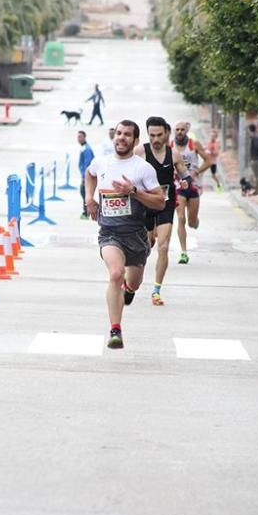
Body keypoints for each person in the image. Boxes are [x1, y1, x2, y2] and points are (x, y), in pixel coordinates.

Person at [85, 119, 165, 349]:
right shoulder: (101, 163)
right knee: (115, 274)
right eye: (118, 133)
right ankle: (115, 330)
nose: (121, 137)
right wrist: (89, 198)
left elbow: (160, 202)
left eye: (127, 135)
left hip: (136, 235)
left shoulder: (142, 169)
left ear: (135, 140)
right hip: (110, 232)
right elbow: (89, 174)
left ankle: (129, 290)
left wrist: (134, 191)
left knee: (133, 282)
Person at [135, 116, 189, 306]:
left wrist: (185, 180)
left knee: (164, 246)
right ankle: (131, 280)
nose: (156, 139)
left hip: (165, 204)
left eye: (159, 135)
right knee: (145, 246)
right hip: (146, 203)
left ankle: (156, 290)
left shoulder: (173, 155)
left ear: (166, 133)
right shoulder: (140, 151)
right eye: (152, 135)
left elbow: (185, 173)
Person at [172, 121, 211, 264]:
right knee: (181, 218)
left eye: (182, 129)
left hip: (194, 186)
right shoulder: (170, 147)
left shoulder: (194, 144)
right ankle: (183, 252)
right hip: (178, 186)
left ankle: (195, 221)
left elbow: (208, 161)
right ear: (173, 131)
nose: (180, 132)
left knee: (191, 222)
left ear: (187, 130)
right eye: (177, 129)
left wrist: (196, 172)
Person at [77, 130, 94, 220]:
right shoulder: (83, 148)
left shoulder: (87, 149)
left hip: (85, 176)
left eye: (80, 136)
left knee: (84, 193)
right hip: (84, 175)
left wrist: (84, 177)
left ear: (84, 137)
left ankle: (86, 212)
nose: (78, 139)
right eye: (78, 137)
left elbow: (87, 164)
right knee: (83, 193)